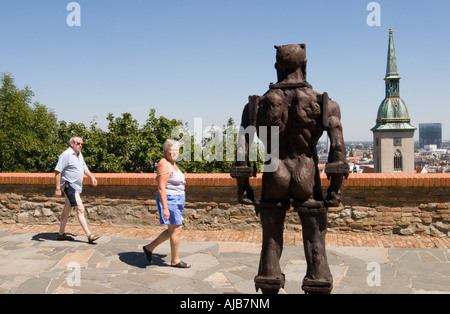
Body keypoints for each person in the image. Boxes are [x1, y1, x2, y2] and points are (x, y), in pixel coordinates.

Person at [143, 139, 191, 268]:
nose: (174, 152)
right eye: (171, 150)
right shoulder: (164, 164)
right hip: (170, 200)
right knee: (177, 229)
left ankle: (149, 247)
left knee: (172, 230)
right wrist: (165, 208)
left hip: (177, 199)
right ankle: (175, 260)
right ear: (165, 151)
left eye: (176, 150)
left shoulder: (172, 163)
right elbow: (161, 187)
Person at [54, 136, 100, 244]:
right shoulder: (66, 155)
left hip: (77, 187)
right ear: (72, 144)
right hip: (69, 186)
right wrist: (57, 188)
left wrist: (92, 177)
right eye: (78, 143)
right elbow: (57, 171)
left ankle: (61, 234)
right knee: (80, 209)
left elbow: (84, 168)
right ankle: (89, 235)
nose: (80, 146)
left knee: (67, 209)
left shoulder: (79, 155)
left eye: (81, 144)